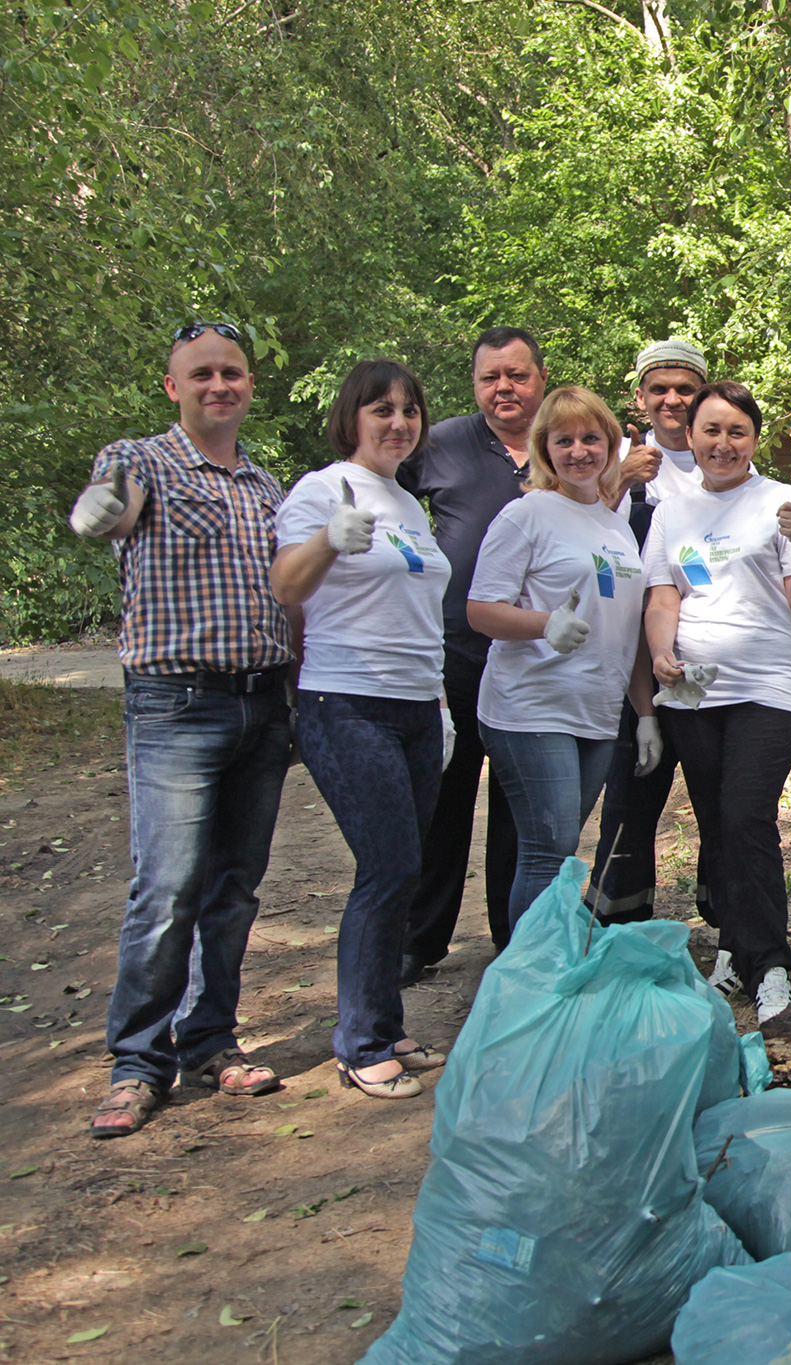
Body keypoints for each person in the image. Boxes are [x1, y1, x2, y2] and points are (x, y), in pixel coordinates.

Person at [67, 321, 294, 1137]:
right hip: (175, 706)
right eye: (202, 374)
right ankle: (137, 1061)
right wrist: (96, 514)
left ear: (249, 385)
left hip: (263, 703)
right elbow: (111, 516)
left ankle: (211, 1038)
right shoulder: (140, 462)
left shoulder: (267, 486)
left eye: (232, 373)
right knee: (165, 889)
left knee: (233, 888)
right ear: (174, 386)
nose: (219, 386)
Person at [270, 360, 452, 1099]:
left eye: (410, 410)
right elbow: (285, 584)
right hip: (345, 703)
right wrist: (327, 540)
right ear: (352, 416)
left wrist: (437, 704)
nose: (399, 422)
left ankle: (386, 1020)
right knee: (387, 867)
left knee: (404, 869)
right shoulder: (321, 489)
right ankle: (360, 1040)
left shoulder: (407, 502)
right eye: (382, 409)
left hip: (414, 707)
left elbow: (415, 610)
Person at [641, 381, 791, 1021]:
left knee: (746, 815)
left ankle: (771, 964)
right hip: (693, 691)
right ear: (689, 437)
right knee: (717, 824)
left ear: (754, 438)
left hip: (769, 686)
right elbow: (664, 597)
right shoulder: (671, 511)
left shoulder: (781, 502)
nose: (723, 443)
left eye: (737, 431)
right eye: (711, 430)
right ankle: (731, 948)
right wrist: (662, 654)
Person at [468, 386, 653, 931]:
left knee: (565, 846)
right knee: (548, 851)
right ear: (544, 449)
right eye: (563, 440)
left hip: (595, 712)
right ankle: (530, 983)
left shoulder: (614, 524)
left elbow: (628, 629)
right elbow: (481, 609)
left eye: (591, 438)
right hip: (531, 706)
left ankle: (546, 966)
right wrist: (543, 624)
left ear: (611, 444)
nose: (579, 451)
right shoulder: (528, 514)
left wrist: (644, 714)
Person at [395, 326, 544, 982]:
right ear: (475, 383)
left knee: (520, 803)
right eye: (490, 377)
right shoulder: (443, 442)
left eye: (516, 374)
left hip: (534, 661)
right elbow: (377, 484)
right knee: (441, 801)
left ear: (540, 377)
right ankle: (418, 939)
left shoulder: (565, 441)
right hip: (451, 656)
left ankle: (513, 939)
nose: (503, 387)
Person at [586, 339, 712, 925]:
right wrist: (617, 478)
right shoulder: (609, 459)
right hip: (635, 662)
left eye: (684, 389)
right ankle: (616, 923)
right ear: (639, 398)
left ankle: (728, 920)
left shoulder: (726, 455)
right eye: (659, 389)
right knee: (632, 796)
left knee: (717, 799)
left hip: (709, 658)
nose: (672, 399)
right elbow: (577, 539)